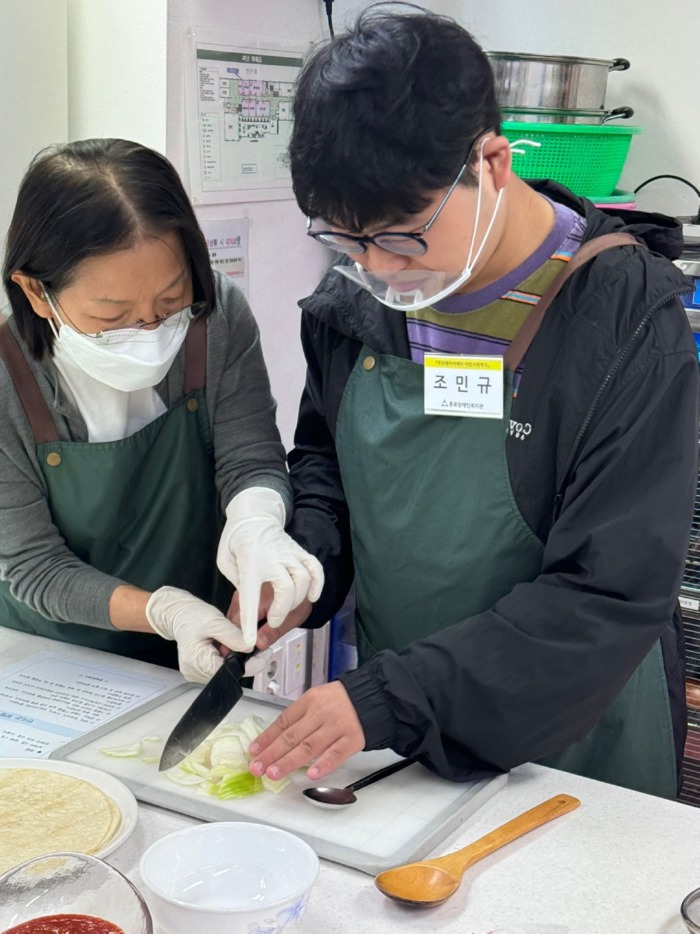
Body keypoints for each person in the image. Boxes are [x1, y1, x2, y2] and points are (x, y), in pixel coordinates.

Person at [244, 4, 699, 799]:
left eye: (404, 235)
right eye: (346, 242)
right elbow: (328, 464)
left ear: (491, 161)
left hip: (575, 726)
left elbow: (612, 588)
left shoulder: (622, 317)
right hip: (401, 719)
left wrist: (394, 696)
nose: (381, 269)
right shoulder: (361, 293)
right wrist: (302, 562)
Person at [0, 138, 322, 682]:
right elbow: (35, 566)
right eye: (112, 314)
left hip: (204, 641)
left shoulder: (216, 316)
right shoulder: (8, 381)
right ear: (35, 293)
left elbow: (251, 460)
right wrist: (163, 611)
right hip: (54, 657)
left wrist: (257, 522)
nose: (149, 331)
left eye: (170, 301)